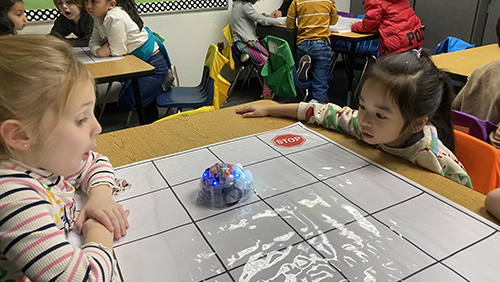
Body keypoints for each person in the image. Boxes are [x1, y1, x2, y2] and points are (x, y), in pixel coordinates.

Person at [236, 50, 472, 188]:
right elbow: (323, 112)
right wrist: (271, 109)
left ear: (417, 123)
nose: (365, 120)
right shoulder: (365, 127)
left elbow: (463, 201)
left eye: (380, 114)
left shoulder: (438, 161)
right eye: (361, 106)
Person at [0, 34, 131, 281]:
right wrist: (99, 228)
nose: (97, 127)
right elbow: (86, 278)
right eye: (81, 119)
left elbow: (94, 161)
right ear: (20, 135)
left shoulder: (35, 156)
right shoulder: (11, 196)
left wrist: (100, 197)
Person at [86, 0, 172, 123]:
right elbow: (93, 42)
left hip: (153, 64)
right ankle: (150, 123)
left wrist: (101, 50)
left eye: (94, 1)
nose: (88, 6)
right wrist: (99, 51)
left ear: (111, 4)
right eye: (86, 1)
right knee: (137, 98)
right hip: (136, 61)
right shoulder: (98, 17)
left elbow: (117, 51)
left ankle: (163, 83)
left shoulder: (114, 17)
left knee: (129, 102)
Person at [452, 16, 500, 149]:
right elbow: (497, 143)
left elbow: (453, 111)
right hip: (487, 158)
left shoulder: (481, 71)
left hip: (460, 147)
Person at [286, 0, 338, 103]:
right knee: (320, 82)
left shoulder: (297, 1)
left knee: (310, 76)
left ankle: (305, 71)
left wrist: (299, 33)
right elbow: (333, 21)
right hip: (321, 44)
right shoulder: (328, 1)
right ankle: (317, 110)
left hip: (302, 43)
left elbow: (289, 25)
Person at [230, 0, 282, 99]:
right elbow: (263, 20)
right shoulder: (244, 6)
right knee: (269, 61)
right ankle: (267, 94)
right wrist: (284, 20)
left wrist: (265, 16)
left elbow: (257, 16)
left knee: (269, 57)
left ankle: (268, 91)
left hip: (240, 44)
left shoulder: (238, 4)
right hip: (245, 45)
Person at [351, 0, 424, 56]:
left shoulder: (375, 1)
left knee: (386, 71)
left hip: (396, 42)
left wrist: (354, 26)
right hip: (412, 38)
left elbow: (369, 25)